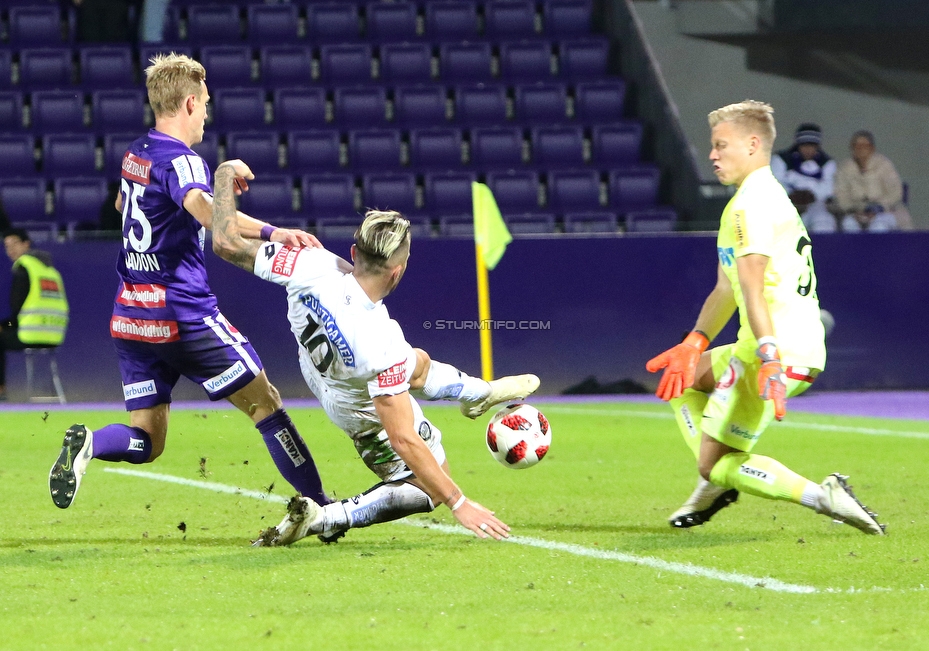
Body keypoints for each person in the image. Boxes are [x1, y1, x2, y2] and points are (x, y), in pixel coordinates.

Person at [48, 54, 331, 515]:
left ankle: (90, 445)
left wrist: (269, 229)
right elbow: (213, 222)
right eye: (204, 106)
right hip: (180, 313)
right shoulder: (185, 161)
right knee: (266, 405)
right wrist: (261, 223)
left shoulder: (136, 153)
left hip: (130, 315)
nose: (206, 115)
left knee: (148, 440)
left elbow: (125, 205)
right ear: (188, 103)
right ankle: (324, 508)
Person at [208, 160, 540, 545]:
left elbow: (225, 241)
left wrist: (222, 178)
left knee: (417, 364)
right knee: (432, 482)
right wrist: (458, 501)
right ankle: (325, 518)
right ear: (398, 272)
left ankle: (477, 395)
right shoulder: (382, 345)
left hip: (321, 373)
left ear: (354, 250)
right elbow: (402, 439)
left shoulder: (310, 263)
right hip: (361, 414)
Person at [645, 100, 885, 535]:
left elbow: (752, 290)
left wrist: (770, 358)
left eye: (722, 145)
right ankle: (716, 481)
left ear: (754, 144)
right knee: (685, 377)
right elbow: (726, 289)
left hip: (770, 349)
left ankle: (820, 496)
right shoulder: (764, 197)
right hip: (782, 344)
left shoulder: (749, 207)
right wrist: (695, 341)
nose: (713, 155)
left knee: (713, 464)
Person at [1, 229, 69, 402]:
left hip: (30, 333)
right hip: (55, 335)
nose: (10, 250)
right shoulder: (51, 271)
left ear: (26, 244)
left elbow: (16, 313)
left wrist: (4, 326)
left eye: (14, 244)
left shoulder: (24, 268)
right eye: (7, 246)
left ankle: (1, 390)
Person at [832, 130, 913, 232]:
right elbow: (841, 195)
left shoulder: (884, 165)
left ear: (872, 148)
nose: (860, 149)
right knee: (848, 224)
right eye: (856, 146)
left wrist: (879, 208)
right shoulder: (845, 168)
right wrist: (854, 210)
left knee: (879, 226)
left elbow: (895, 192)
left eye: (864, 146)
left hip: (886, 211)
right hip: (856, 212)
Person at [771, 123, 837, 233]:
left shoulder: (827, 163)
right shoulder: (781, 159)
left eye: (812, 145)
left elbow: (828, 188)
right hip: (785, 205)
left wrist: (809, 195)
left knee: (824, 222)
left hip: (815, 206)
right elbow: (775, 183)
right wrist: (793, 195)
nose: (808, 149)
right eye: (804, 145)